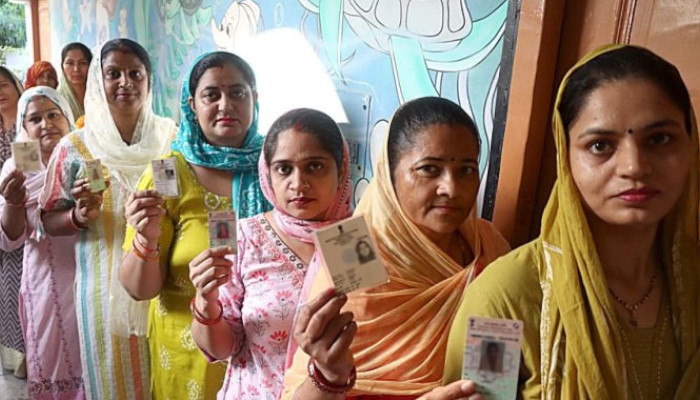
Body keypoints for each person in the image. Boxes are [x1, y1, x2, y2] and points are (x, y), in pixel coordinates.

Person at [442, 45, 700, 398]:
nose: (634, 166)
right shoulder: (504, 303)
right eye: (600, 145)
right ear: (566, 157)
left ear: (691, 146)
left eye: (659, 139)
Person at [282, 97, 510, 399]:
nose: (451, 188)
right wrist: (329, 374)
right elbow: (315, 379)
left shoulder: (488, 246)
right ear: (390, 174)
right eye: (429, 169)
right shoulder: (352, 245)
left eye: (466, 170)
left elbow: (494, 378)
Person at [118, 51, 272, 399]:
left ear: (254, 98)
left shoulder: (275, 167)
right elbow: (139, 290)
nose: (225, 105)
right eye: (211, 95)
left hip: (265, 351)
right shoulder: (168, 173)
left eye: (237, 93)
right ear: (192, 105)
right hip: (187, 356)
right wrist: (146, 238)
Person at [40, 38, 176, 400]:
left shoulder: (170, 140)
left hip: (166, 286)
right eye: (113, 74)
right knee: (115, 384)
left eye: (135, 74)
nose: (125, 82)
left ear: (149, 81)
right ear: (98, 83)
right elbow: (46, 219)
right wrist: (78, 216)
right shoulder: (75, 147)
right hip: (103, 291)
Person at [189, 107, 353, 399]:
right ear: (267, 174)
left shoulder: (352, 240)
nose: (298, 183)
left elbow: (370, 330)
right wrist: (206, 301)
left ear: (340, 170)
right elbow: (222, 349)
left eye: (315, 166)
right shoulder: (246, 238)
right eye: (284, 169)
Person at [0, 86, 84, 398]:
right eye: (35, 119)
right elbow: (10, 239)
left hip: (90, 272)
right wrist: (13, 203)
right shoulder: (17, 168)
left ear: (67, 118)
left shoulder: (85, 156)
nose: (46, 124)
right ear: (24, 127)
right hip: (46, 280)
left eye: (53, 115)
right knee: (54, 354)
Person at [0, 65, 26, 378]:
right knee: (7, 289)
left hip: (29, 215)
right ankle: (16, 356)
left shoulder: (28, 127)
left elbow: (34, 175)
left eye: (4, 84)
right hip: (3, 219)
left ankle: (33, 354)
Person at [58, 42, 92, 122]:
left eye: (82, 63)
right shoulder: (57, 99)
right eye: (70, 63)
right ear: (62, 67)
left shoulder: (100, 96)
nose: (76, 69)